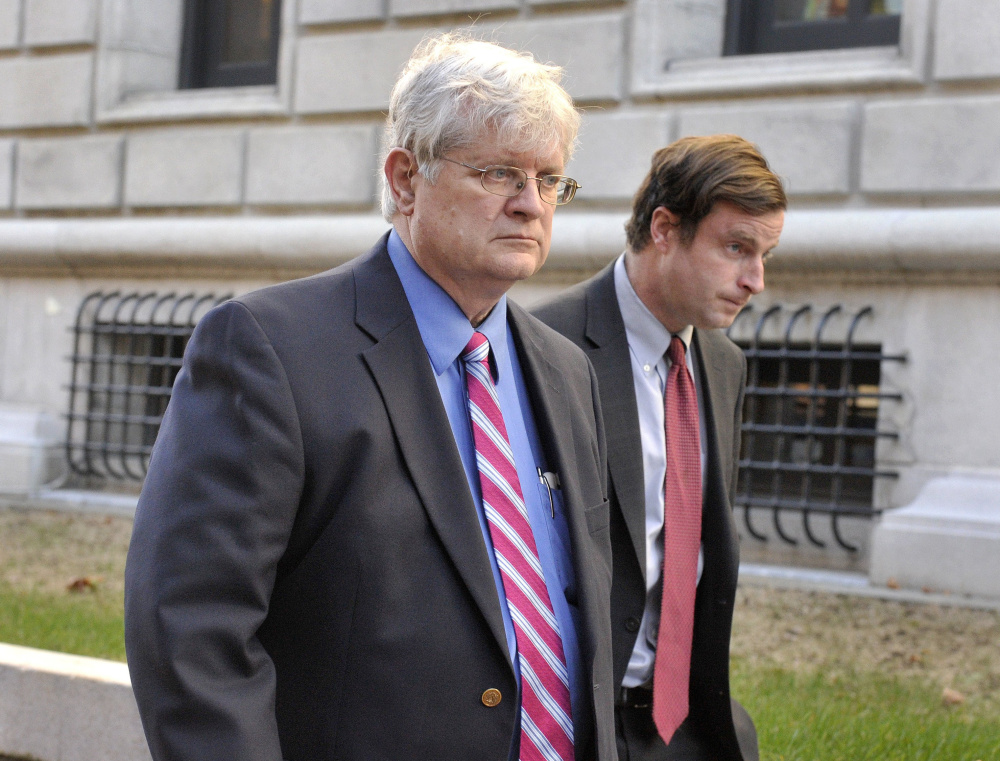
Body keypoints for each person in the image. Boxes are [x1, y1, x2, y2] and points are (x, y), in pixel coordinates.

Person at [124, 33, 617, 761]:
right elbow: (191, 630)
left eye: (549, 180)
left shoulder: (566, 369)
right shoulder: (269, 348)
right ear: (406, 178)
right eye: (499, 173)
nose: (529, 205)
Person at [533, 134, 787, 761]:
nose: (755, 280)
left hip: (693, 725)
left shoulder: (724, 364)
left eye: (765, 255)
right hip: (578, 719)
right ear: (665, 228)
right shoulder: (542, 346)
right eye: (736, 249)